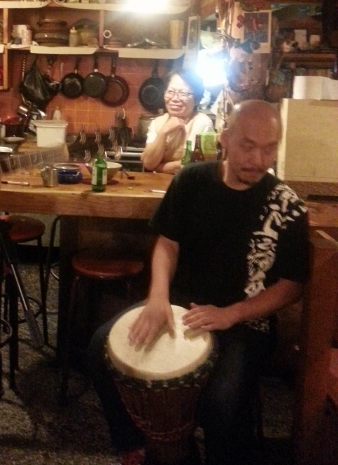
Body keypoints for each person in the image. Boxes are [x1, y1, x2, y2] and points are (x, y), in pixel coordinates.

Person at [89, 99, 310, 465]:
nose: (258, 159)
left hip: (245, 323)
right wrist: (157, 296)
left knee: (221, 405)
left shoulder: (286, 206)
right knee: (100, 348)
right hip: (179, 306)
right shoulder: (191, 180)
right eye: (247, 146)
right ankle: (133, 445)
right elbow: (167, 244)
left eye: (269, 148)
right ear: (225, 138)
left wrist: (231, 314)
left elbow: (291, 285)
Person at [141, 68, 212, 173]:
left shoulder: (202, 122)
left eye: (183, 93)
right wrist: (164, 132)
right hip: (159, 182)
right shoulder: (158, 122)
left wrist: (158, 167)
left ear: (196, 100)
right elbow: (148, 163)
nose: (174, 99)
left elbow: (190, 164)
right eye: (171, 92)